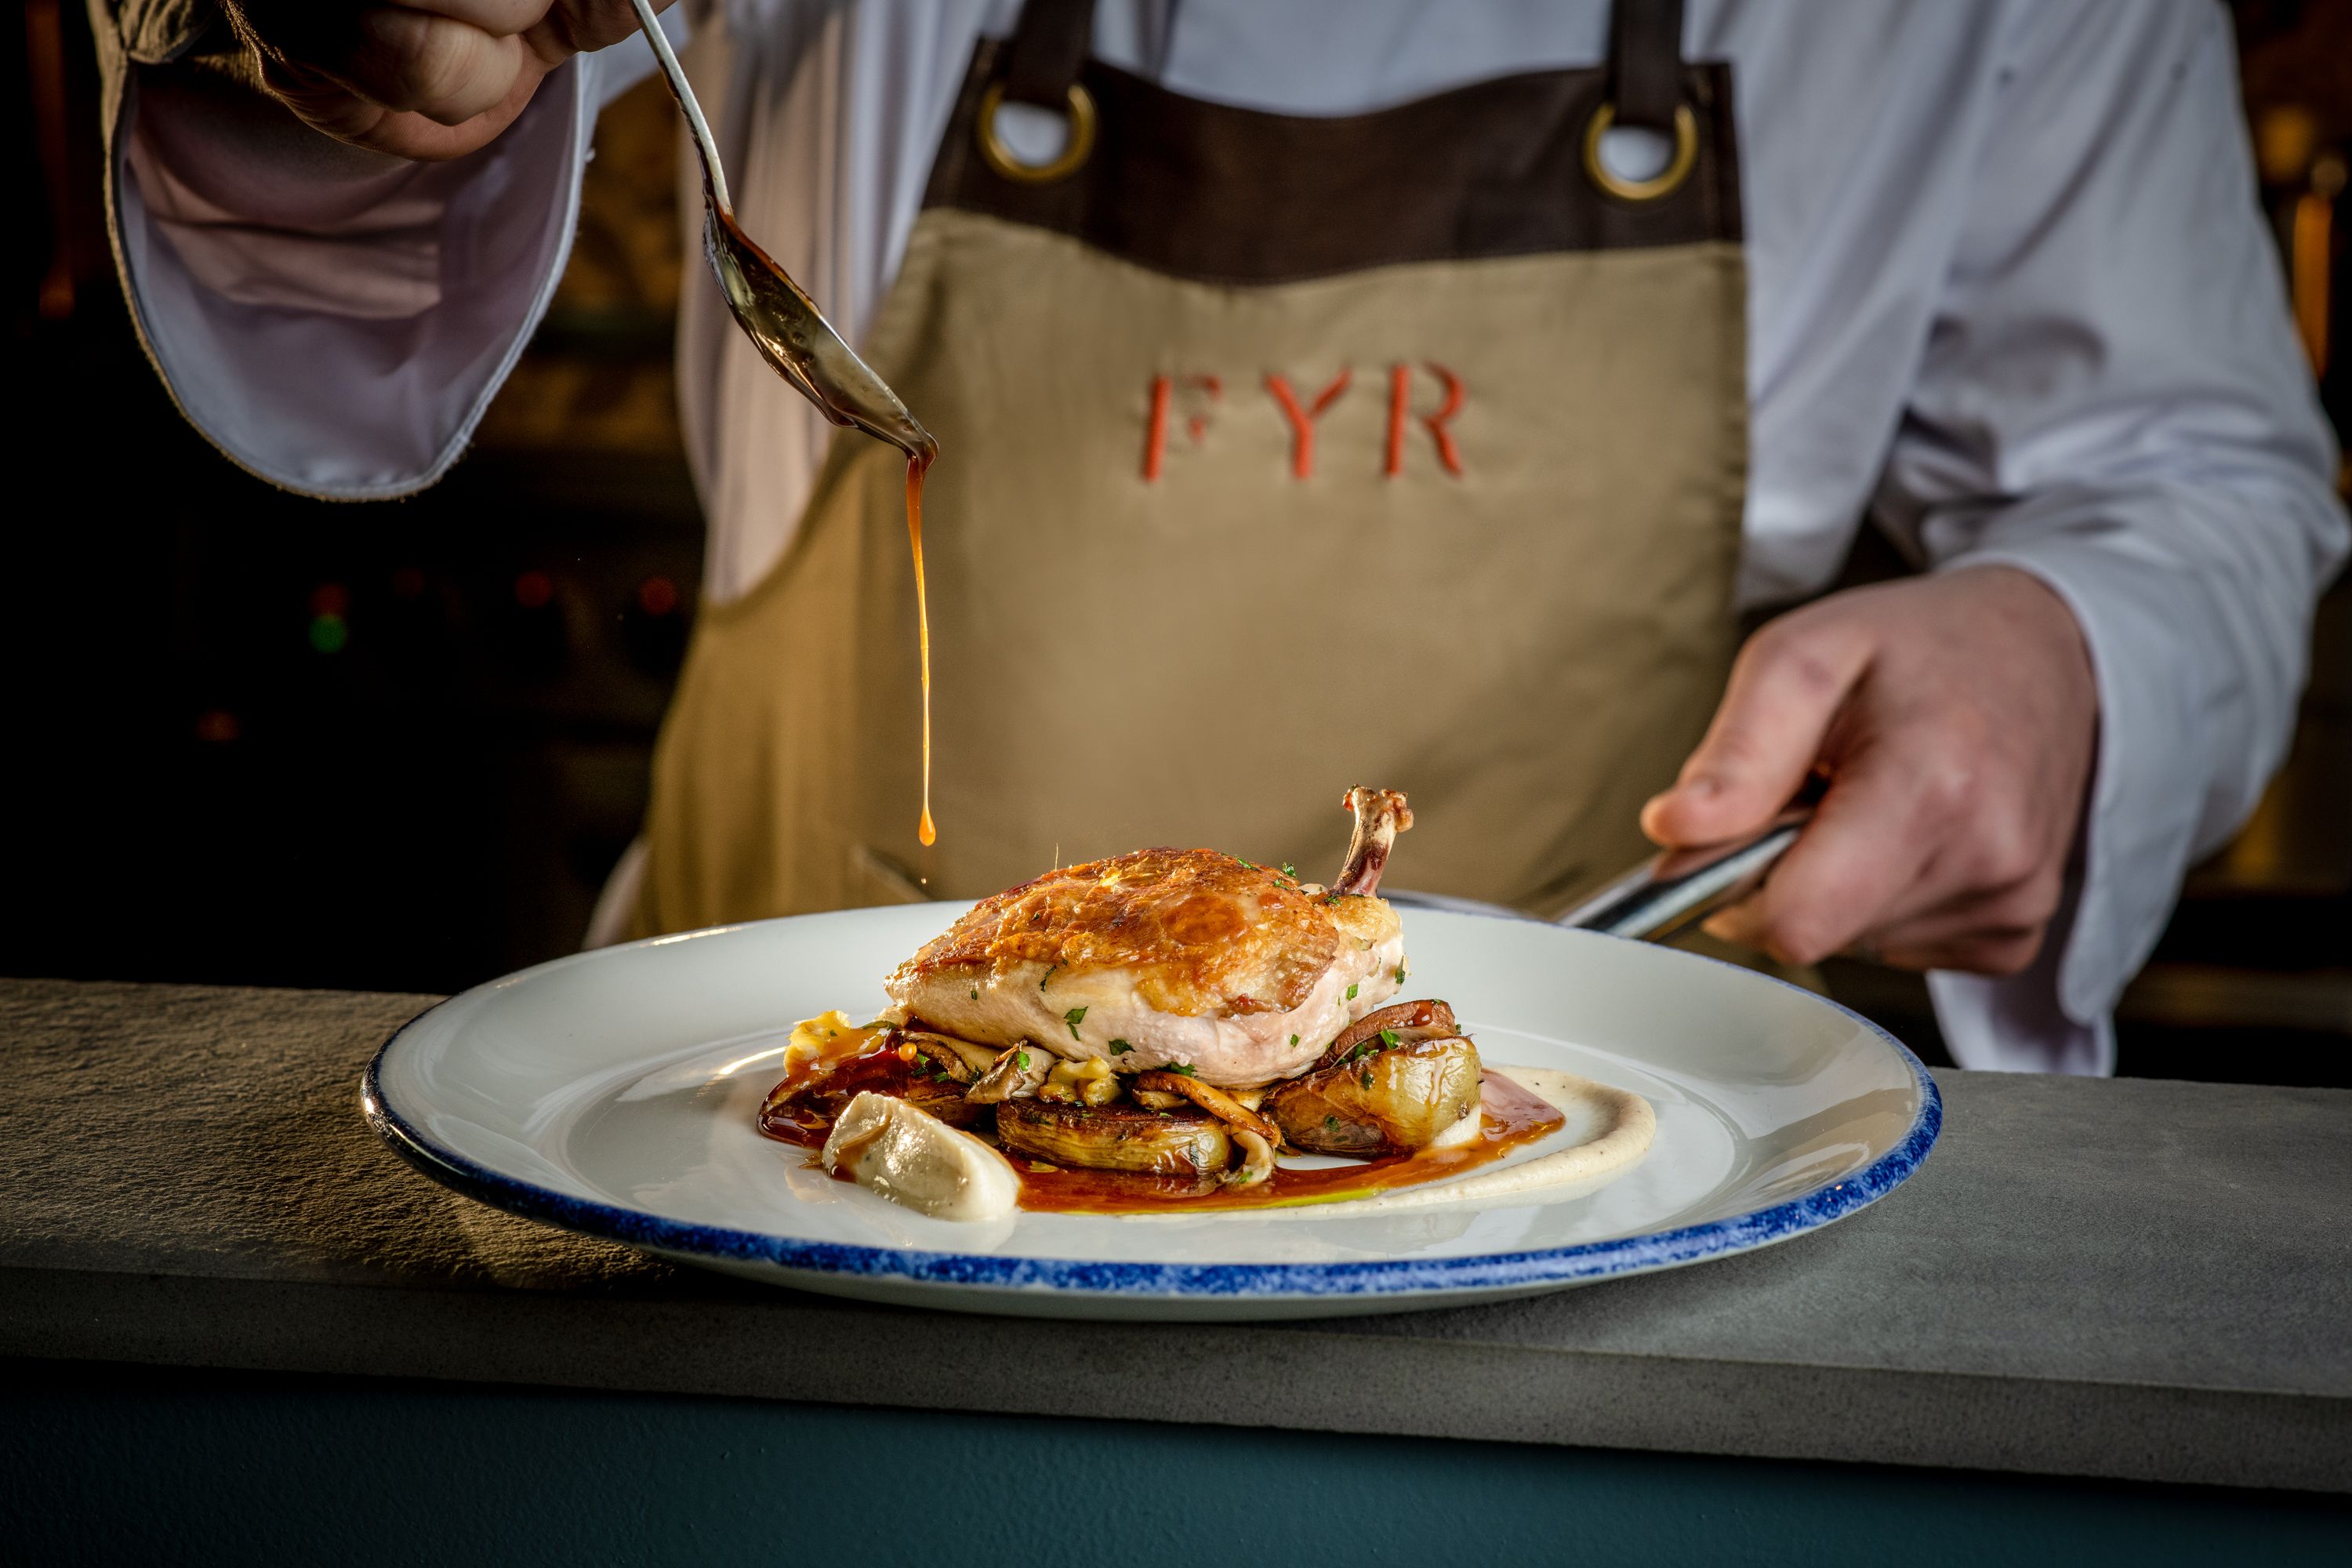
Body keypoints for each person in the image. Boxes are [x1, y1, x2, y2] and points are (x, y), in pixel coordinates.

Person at [95, 0, 2347, 1073]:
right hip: (775, 1183)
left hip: (1578, 1232)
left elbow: (2198, 487)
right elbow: (343, 256)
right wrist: (321, 43)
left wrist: (2077, 655)